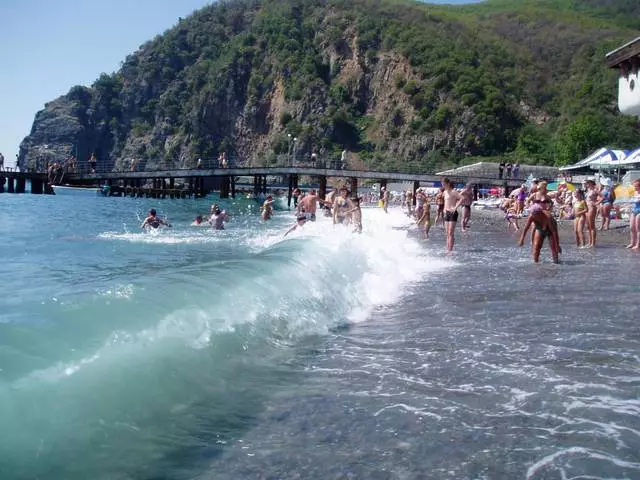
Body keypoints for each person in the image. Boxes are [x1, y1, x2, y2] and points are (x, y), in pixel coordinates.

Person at [442, 178, 462, 253]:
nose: (443, 186)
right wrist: (444, 210)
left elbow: (462, 198)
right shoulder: (444, 192)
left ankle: (450, 250)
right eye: (442, 184)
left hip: (453, 213)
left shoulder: (454, 192)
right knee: (447, 233)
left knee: (450, 232)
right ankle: (447, 248)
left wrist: (455, 207)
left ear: (448, 184)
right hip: (446, 212)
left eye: (444, 184)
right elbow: (445, 202)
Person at [627, 179, 640, 250]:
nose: (634, 187)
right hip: (633, 210)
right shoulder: (634, 193)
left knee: (638, 229)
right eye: (634, 186)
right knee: (631, 227)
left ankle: (638, 244)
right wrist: (626, 206)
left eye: (636, 186)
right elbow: (632, 202)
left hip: (639, 211)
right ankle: (632, 243)